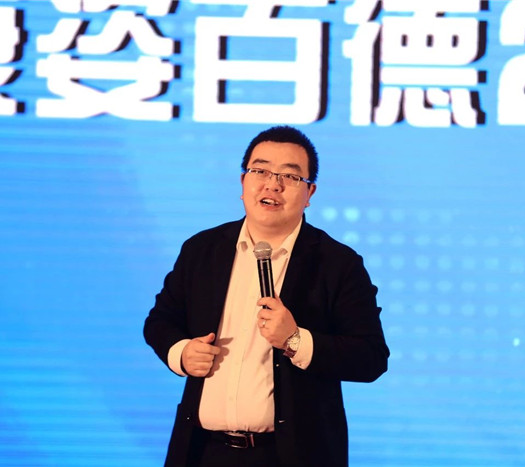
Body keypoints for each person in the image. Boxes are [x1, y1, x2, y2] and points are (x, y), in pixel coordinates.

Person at [143, 125, 389, 466]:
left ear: (310, 192)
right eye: (260, 171)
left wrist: (295, 340)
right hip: (202, 451)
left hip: (292, 455)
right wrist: (181, 352)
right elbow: (160, 321)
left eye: (290, 176)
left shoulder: (337, 263)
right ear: (243, 182)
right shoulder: (202, 249)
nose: (273, 184)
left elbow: (371, 357)